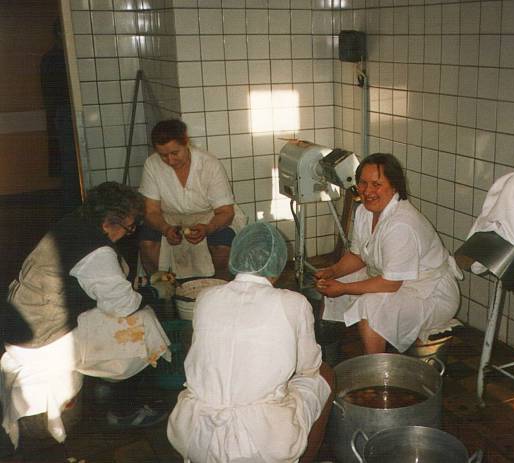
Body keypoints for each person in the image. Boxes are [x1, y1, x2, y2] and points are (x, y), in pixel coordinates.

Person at [0, 182, 174, 449]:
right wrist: (155, 292)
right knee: (141, 324)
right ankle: (123, 411)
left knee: (123, 317)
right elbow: (124, 305)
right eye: (129, 228)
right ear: (108, 222)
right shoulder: (97, 252)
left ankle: (106, 383)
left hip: (21, 322)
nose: (129, 234)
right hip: (43, 339)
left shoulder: (75, 220)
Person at [168, 222, 334, 463]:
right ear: (277, 265)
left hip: (196, 434)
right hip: (261, 442)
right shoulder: (294, 302)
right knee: (325, 375)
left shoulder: (206, 297)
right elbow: (308, 367)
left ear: (236, 258)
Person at [315, 153, 463, 354]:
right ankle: (328, 357)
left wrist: (343, 288)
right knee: (334, 288)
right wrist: (333, 272)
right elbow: (358, 256)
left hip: (431, 294)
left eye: (377, 184)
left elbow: (390, 284)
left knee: (370, 306)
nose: (368, 191)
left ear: (394, 187)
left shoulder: (401, 224)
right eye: (363, 183)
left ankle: (378, 373)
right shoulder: (364, 212)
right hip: (394, 280)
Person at [139, 119, 237, 281]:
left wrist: (208, 228)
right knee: (147, 243)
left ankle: (220, 289)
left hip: (209, 216)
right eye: (163, 155)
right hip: (168, 218)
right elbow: (151, 211)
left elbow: (226, 212)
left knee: (222, 245)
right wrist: (166, 229)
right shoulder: (152, 165)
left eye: (175, 153)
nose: (170, 160)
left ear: (186, 143)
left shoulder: (209, 164)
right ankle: (162, 291)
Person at [40, 18, 82, 211]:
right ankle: (72, 210)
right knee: (71, 166)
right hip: (66, 112)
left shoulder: (52, 58)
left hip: (63, 113)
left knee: (71, 165)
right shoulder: (58, 59)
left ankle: (72, 209)